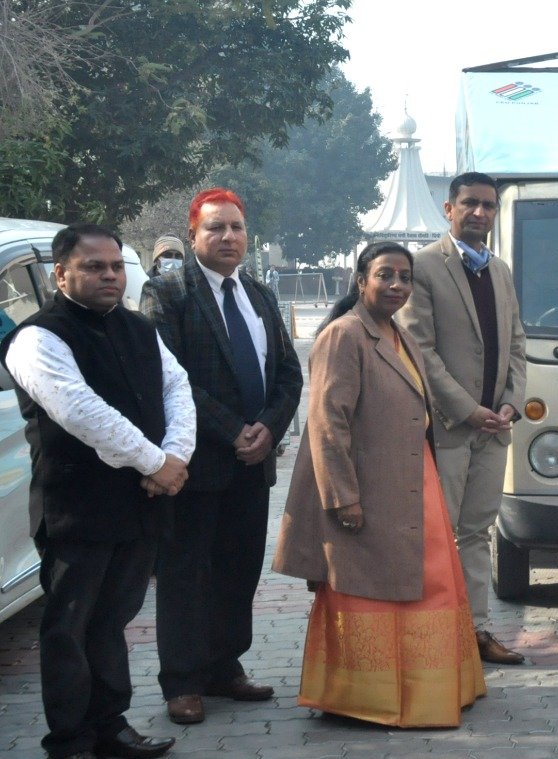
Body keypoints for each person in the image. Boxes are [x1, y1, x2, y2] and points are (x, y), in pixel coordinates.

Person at [0, 223, 195, 759]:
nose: (109, 275)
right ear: (61, 274)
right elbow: (82, 414)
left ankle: (110, 723)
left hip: (139, 501)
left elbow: (176, 389)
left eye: (114, 266)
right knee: (70, 628)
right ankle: (69, 744)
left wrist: (174, 457)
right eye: (93, 267)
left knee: (113, 620)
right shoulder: (39, 338)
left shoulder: (138, 327)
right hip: (77, 507)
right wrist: (156, 463)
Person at [273, 242, 485, 726]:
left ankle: (428, 690)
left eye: (405, 277)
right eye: (385, 275)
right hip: (364, 491)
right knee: (367, 592)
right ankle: (364, 698)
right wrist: (343, 497)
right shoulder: (343, 336)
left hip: (414, 486)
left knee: (428, 586)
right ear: (360, 279)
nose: (396, 285)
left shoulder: (398, 334)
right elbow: (328, 423)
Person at [141, 188, 303, 724]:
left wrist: (269, 427)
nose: (228, 237)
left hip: (252, 465)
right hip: (195, 463)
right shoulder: (168, 293)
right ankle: (182, 681)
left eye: (236, 227)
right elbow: (169, 379)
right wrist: (233, 429)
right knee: (186, 572)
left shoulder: (258, 293)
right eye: (216, 228)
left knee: (238, 569)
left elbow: (287, 372)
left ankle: (223, 666)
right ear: (193, 236)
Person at [397, 172, 528, 665]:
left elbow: (517, 342)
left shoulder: (500, 271)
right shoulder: (424, 267)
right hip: (450, 427)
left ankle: (476, 632)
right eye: (469, 204)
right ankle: (431, 638)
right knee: (437, 534)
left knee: (476, 534)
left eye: (488, 206)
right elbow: (421, 350)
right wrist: (467, 410)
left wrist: (511, 400)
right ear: (448, 209)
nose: (479, 213)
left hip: (495, 427)